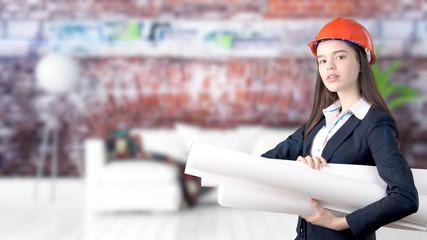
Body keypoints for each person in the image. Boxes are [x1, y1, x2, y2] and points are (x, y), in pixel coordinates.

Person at [261, 17, 419, 240]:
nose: (329, 66)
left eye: (340, 57)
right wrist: (299, 165)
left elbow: (405, 197)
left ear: (361, 62)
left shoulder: (376, 123)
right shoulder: (319, 122)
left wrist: (340, 223)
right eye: (322, 61)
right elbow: (263, 163)